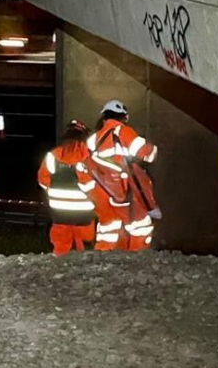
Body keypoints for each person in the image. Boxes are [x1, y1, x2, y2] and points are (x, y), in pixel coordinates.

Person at [75, 100, 158, 251]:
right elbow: (146, 154)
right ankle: (137, 255)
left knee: (108, 228)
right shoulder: (122, 131)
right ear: (123, 117)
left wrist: (91, 192)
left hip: (100, 192)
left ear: (104, 117)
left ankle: (105, 258)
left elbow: (83, 166)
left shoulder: (93, 139)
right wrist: (153, 149)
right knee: (140, 224)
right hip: (122, 190)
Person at [37, 120, 96, 256]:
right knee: (85, 246)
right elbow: (90, 183)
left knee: (60, 244)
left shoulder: (52, 155)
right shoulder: (87, 155)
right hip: (84, 211)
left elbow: (42, 180)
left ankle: (59, 268)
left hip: (59, 211)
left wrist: (54, 193)